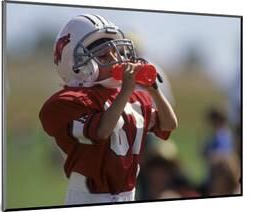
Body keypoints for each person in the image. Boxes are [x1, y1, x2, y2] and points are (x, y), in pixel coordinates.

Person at [39, 14, 177, 205]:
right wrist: (126, 91)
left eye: (116, 52)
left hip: (129, 196)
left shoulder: (135, 98)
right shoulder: (66, 102)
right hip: (88, 199)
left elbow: (169, 124)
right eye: (104, 55)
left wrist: (154, 92)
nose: (115, 60)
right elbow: (102, 130)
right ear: (77, 65)